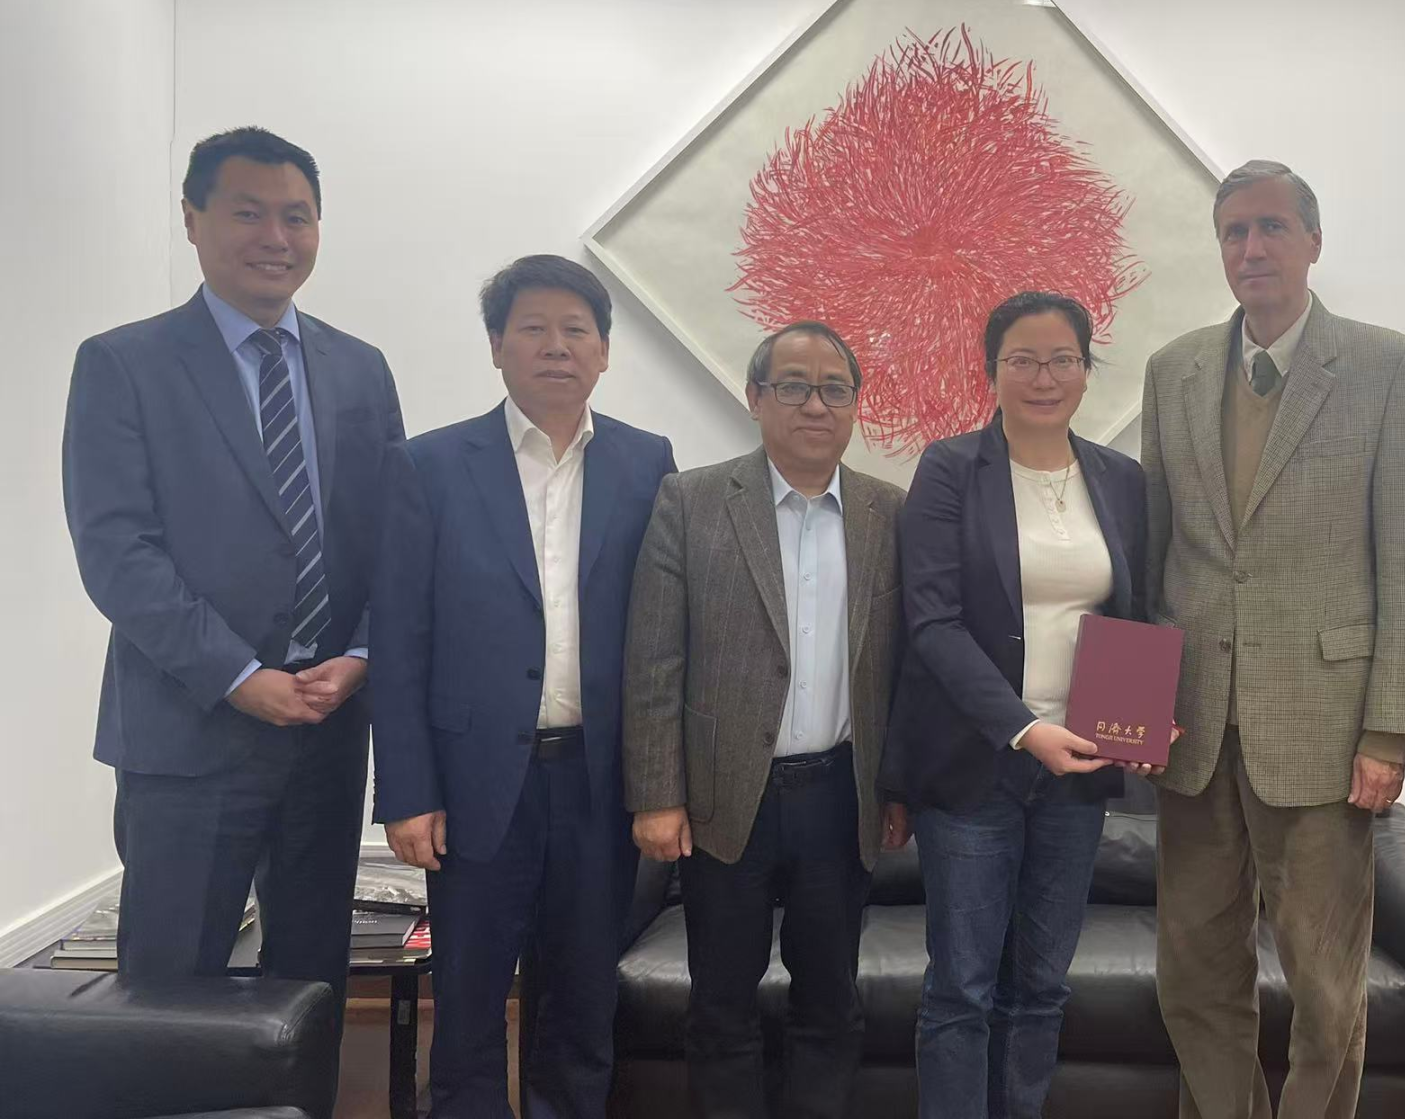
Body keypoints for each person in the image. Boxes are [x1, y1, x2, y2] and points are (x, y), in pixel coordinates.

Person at [62, 127, 404, 1026]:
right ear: (192, 219)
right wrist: (239, 675)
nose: (276, 238)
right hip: (188, 731)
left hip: (328, 729)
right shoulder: (123, 364)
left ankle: (300, 1097)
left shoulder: (360, 370)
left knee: (312, 986)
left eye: (297, 217)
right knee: (169, 995)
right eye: (249, 213)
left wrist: (362, 654)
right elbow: (117, 551)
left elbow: (395, 541)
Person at [1140, 159, 1405, 1119]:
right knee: (1193, 971)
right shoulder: (1174, 368)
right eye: (1234, 231)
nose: (1252, 247)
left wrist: (1389, 732)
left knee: (1326, 984)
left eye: (1272, 227)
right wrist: (1137, 710)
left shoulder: (1388, 365)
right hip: (1192, 728)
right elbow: (1156, 553)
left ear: (1313, 240)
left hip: (1325, 726)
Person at [372, 255, 675, 1117]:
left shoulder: (647, 463)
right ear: (497, 345)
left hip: (597, 781)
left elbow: (664, 633)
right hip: (474, 784)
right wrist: (408, 791)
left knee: (581, 999)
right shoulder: (429, 465)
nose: (556, 346)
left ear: (604, 352)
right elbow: (399, 638)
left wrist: (661, 781)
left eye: (577, 330)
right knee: (468, 998)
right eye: (534, 328)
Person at [622, 322, 907, 1119]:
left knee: (830, 1000)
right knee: (721, 1003)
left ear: (855, 404)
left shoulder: (888, 511)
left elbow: (903, 664)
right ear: (755, 397)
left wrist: (897, 785)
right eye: (793, 386)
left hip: (840, 794)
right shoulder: (692, 500)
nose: (816, 405)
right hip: (725, 797)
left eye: (834, 388)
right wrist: (658, 794)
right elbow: (654, 657)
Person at [882, 292, 1155, 1119]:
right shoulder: (948, 468)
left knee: (1041, 984)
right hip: (974, 765)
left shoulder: (1121, 478)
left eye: (1062, 359)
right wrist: (1025, 727)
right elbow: (932, 622)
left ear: (1086, 370)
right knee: (962, 987)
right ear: (991, 370)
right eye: (1023, 360)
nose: (1044, 377)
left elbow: (1133, 614)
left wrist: (1152, 710)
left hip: (1080, 768)